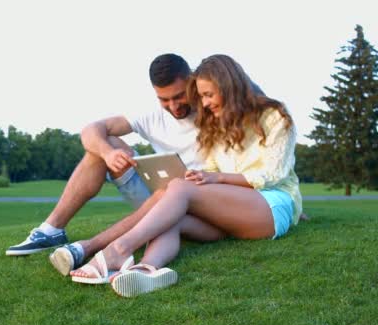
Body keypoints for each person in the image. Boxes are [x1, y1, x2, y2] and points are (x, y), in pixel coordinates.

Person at [70, 54, 303, 297]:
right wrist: (204, 177)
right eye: (201, 96)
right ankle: (146, 270)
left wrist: (217, 179)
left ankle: (118, 250)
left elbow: (272, 173)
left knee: (179, 188)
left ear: (228, 86)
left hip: (271, 205)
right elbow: (213, 168)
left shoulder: (275, 115)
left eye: (208, 95)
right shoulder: (215, 124)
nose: (203, 102)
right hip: (232, 211)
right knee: (173, 216)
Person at [5, 54, 205, 266]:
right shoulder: (152, 115)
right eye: (164, 100)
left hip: (197, 201)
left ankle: (93, 247)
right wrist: (108, 153)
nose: (173, 106)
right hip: (157, 194)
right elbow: (91, 130)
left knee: (169, 191)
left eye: (179, 96)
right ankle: (51, 230)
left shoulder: (213, 109)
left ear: (191, 82)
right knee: (102, 143)